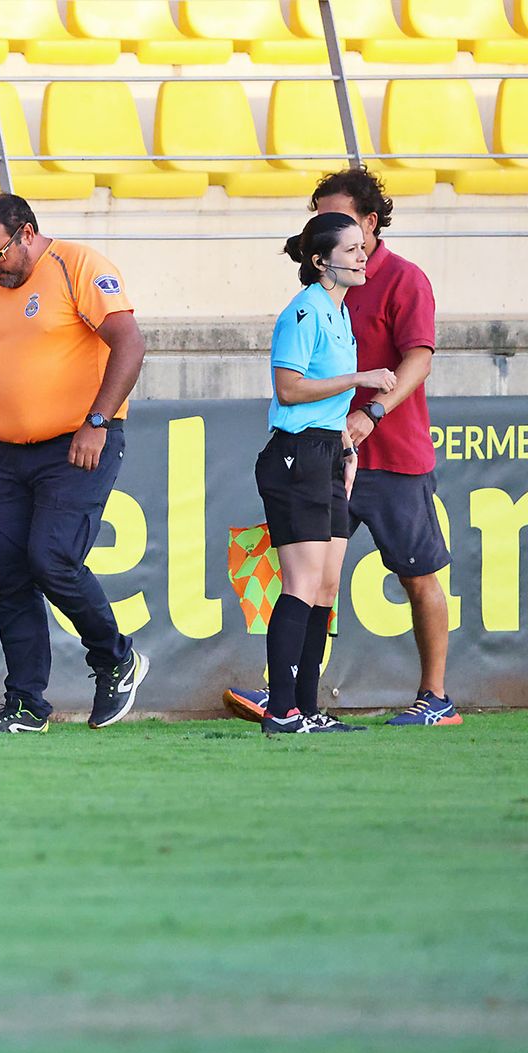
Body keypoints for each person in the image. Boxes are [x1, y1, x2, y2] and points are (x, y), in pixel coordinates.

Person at [225, 169, 459, 727]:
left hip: (387, 453)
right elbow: (292, 382)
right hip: (318, 451)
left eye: (348, 226)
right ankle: (289, 699)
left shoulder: (399, 281)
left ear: (370, 222)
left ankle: (432, 695)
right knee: (309, 578)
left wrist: (372, 412)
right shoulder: (317, 302)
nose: (350, 249)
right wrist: (352, 394)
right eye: (330, 232)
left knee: (412, 573)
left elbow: (419, 359)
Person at [0, 194, 148, 734]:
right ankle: (25, 703)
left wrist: (97, 421)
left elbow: (130, 344)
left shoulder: (78, 266)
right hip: (11, 454)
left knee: (52, 558)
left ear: (25, 233)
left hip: (77, 442)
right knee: (10, 571)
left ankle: (115, 657)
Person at [251, 213, 399, 734]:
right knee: (301, 582)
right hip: (296, 455)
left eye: (364, 247)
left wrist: (345, 447)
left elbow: (322, 398)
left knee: (326, 586)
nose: (363, 256)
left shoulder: (339, 312)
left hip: (327, 453)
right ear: (320, 261)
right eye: (352, 249)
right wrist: (360, 377)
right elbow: (289, 389)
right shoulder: (304, 312)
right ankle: (281, 709)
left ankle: (306, 706)